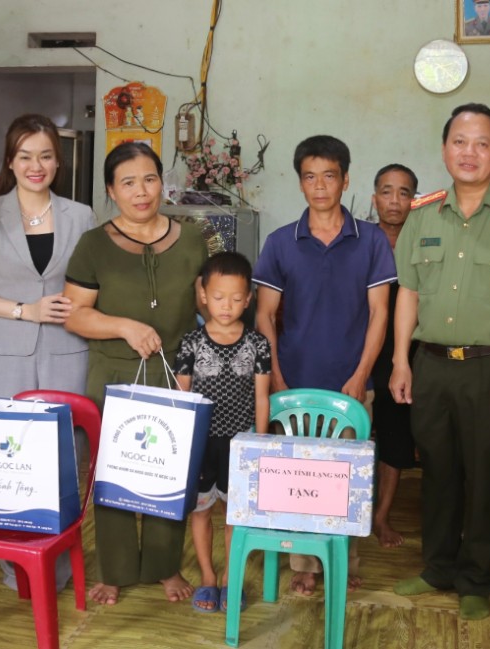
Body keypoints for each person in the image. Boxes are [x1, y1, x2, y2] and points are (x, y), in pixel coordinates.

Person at [390, 103, 490, 621]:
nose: (470, 152)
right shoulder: (421, 214)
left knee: (485, 477)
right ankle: (437, 566)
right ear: (444, 149)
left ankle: (476, 579)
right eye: (460, 141)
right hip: (432, 364)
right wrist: (400, 360)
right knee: (435, 471)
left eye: (482, 143)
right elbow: (408, 294)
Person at [0, 113, 95, 591]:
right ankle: (16, 568)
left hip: (68, 351)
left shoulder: (82, 215)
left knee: (65, 459)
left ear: (58, 161)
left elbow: (94, 288)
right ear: (10, 161)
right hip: (5, 353)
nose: (36, 165)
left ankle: (58, 567)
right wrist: (23, 312)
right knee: (9, 459)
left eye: (46, 155)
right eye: (25, 155)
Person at [64, 141, 206, 606]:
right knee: (114, 475)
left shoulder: (191, 238)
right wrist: (124, 325)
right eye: (128, 183)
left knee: (169, 475)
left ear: (162, 182)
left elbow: (212, 302)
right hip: (114, 376)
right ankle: (115, 568)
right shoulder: (93, 245)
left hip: (177, 374)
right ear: (111, 190)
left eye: (149, 179)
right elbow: (75, 315)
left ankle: (165, 566)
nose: (141, 191)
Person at [253, 135, 395, 595]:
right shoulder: (281, 242)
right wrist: (275, 374)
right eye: (310, 177)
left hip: (352, 384)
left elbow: (380, 313)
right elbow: (264, 315)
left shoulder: (371, 240)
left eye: (329, 176)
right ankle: (304, 564)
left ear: (346, 179)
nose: (320, 186)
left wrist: (360, 374)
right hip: (293, 382)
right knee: (298, 478)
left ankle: (346, 558)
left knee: (347, 479)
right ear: (300, 184)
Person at [172, 251, 271, 614]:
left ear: (248, 299)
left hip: (241, 444)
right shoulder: (190, 344)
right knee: (201, 513)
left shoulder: (259, 344)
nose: (226, 306)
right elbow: (182, 398)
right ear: (203, 295)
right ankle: (208, 578)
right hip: (201, 445)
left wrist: (259, 443)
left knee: (235, 515)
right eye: (217, 297)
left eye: (235, 298)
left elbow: (263, 398)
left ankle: (230, 577)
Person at [369, 163, 419, 548]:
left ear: (413, 202)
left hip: (404, 355)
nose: (395, 201)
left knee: (395, 435)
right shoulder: (361, 241)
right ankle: (347, 512)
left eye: (404, 193)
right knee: (352, 434)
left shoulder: (423, 243)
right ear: (375, 198)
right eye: (387, 191)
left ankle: (381, 517)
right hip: (362, 350)